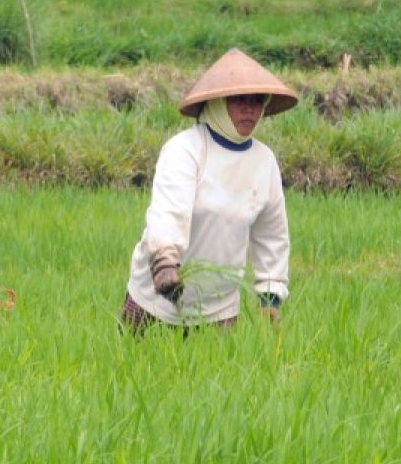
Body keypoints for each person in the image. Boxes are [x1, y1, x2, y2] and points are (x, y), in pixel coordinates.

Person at [122, 48, 298, 332]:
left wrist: (270, 294)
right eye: (239, 100)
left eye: (256, 101)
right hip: (156, 299)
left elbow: (272, 234)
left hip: (219, 308)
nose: (249, 109)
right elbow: (169, 209)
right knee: (134, 372)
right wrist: (165, 262)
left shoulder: (264, 161)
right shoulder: (186, 149)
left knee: (211, 375)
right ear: (216, 103)